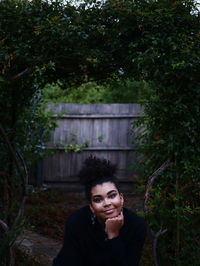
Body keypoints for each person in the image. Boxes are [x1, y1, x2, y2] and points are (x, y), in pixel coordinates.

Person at [52, 156, 147, 266]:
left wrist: (113, 235)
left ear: (121, 198)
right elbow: (69, 260)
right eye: (98, 199)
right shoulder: (76, 221)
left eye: (112, 196)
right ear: (91, 206)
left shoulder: (136, 225)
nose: (107, 203)